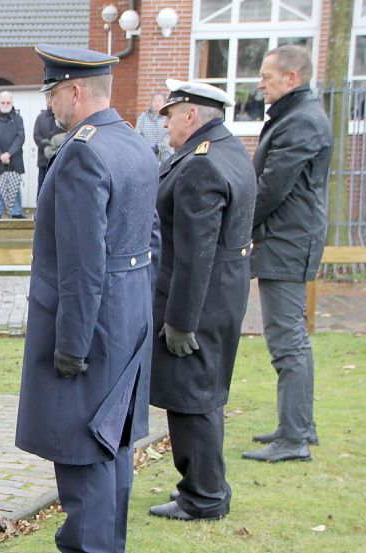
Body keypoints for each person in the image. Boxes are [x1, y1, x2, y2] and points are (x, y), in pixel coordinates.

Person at [16, 44, 158, 553]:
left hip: (91, 323)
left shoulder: (84, 151)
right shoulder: (135, 144)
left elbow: (81, 262)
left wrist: (72, 344)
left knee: (84, 452)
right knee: (112, 443)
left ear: (76, 91)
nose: (51, 104)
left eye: (54, 92)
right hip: (128, 315)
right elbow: (152, 240)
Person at [147, 80, 256, 522]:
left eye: (170, 115)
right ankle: (203, 488)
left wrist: (180, 321)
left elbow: (195, 251)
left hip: (200, 300)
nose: (167, 125)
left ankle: (204, 495)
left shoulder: (202, 165)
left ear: (190, 114)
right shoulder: (229, 151)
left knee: (193, 397)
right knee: (203, 393)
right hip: (222, 293)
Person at [243, 45, 332, 463]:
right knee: (292, 337)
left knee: (286, 339)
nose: (260, 82)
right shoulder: (296, 117)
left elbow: (272, 187)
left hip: (287, 242)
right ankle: (298, 426)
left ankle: (294, 438)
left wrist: (237, 223)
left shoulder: (301, 122)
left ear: (291, 79)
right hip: (287, 238)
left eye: (267, 75)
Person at [0, 91, 26, 218]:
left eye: (8, 102)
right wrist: (0, 155)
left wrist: (9, 153)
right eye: (3, 102)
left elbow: (20, 138)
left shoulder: (18, 119)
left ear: (12, 103)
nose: (5, 104)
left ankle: (16, 212)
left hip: (15, 158)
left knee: (16, 187)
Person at [32, 105, 64, 193]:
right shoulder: (40, 118)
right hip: (43, 161)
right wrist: (45, 145)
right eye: (47, 98)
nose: (49, 101)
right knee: (42, 187)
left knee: (56, 189)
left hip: (58, 160)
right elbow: (36, 135)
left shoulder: (63, 117)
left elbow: (67, 135)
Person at [136, 91, 172, 161]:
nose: (157, 103)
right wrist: (145, 148)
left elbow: (169, 135)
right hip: (146, 154)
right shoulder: (143, 117)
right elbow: (138, 133)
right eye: (155, 100)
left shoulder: (167, 118)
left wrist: (157, 147)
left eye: (159, 101)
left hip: (164, 154)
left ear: (164, 103)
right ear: (151, 102)